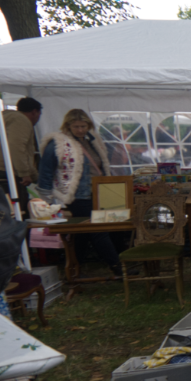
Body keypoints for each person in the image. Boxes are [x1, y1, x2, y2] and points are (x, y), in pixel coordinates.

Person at [38, 109, 123, 277]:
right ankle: (118, 267)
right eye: (76, 126)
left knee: (84, 234)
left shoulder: (93, 141)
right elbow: (46, 169)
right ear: (68, 125)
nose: (80, 130)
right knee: (98, 230)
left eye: (84, 126)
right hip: (77, 195)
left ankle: (74, 269)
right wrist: (45, 196)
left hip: (99, 192)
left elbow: (103, 164)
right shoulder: (58, 142)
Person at [0, 96, 41, 217]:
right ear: (35, 112)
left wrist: (34, 176)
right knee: (17, 214)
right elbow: (17, 147)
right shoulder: (21, 120)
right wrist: (24, 173)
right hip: (5, 172)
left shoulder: (3, 119)